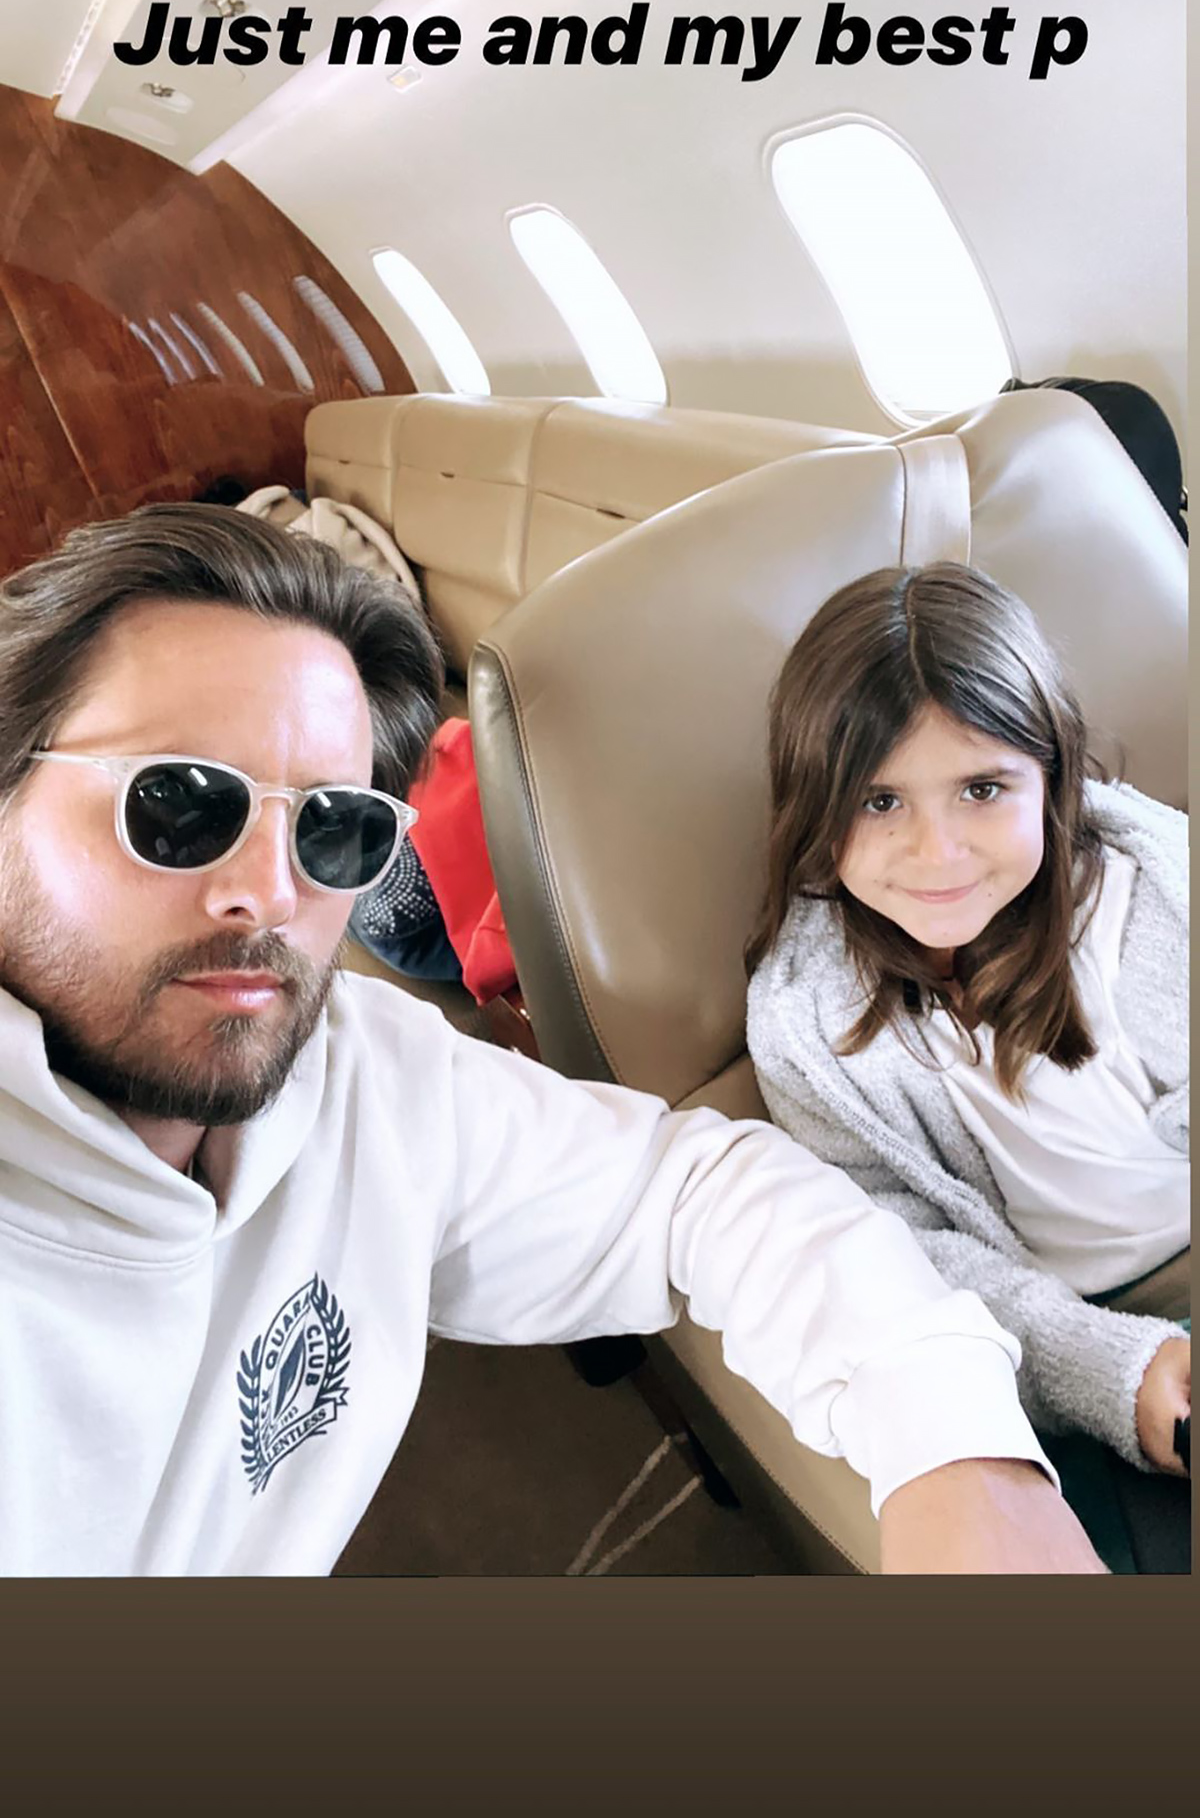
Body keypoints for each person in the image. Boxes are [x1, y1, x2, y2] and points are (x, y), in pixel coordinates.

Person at [0, 509, 1105, 1577]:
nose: (271, 893)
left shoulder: (367, 1071)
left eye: (336, 828)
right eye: (179, 806)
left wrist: (958, 1450)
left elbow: (692, 1190)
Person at [746, 563, 1190, 1571]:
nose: (937, 852)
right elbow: (902, 1245)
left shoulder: (1150, 908)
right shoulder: (809, 1023)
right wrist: (1115, 1372)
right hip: (1059, 1349)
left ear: (1052, 775)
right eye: (880, 801)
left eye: (982, 789)